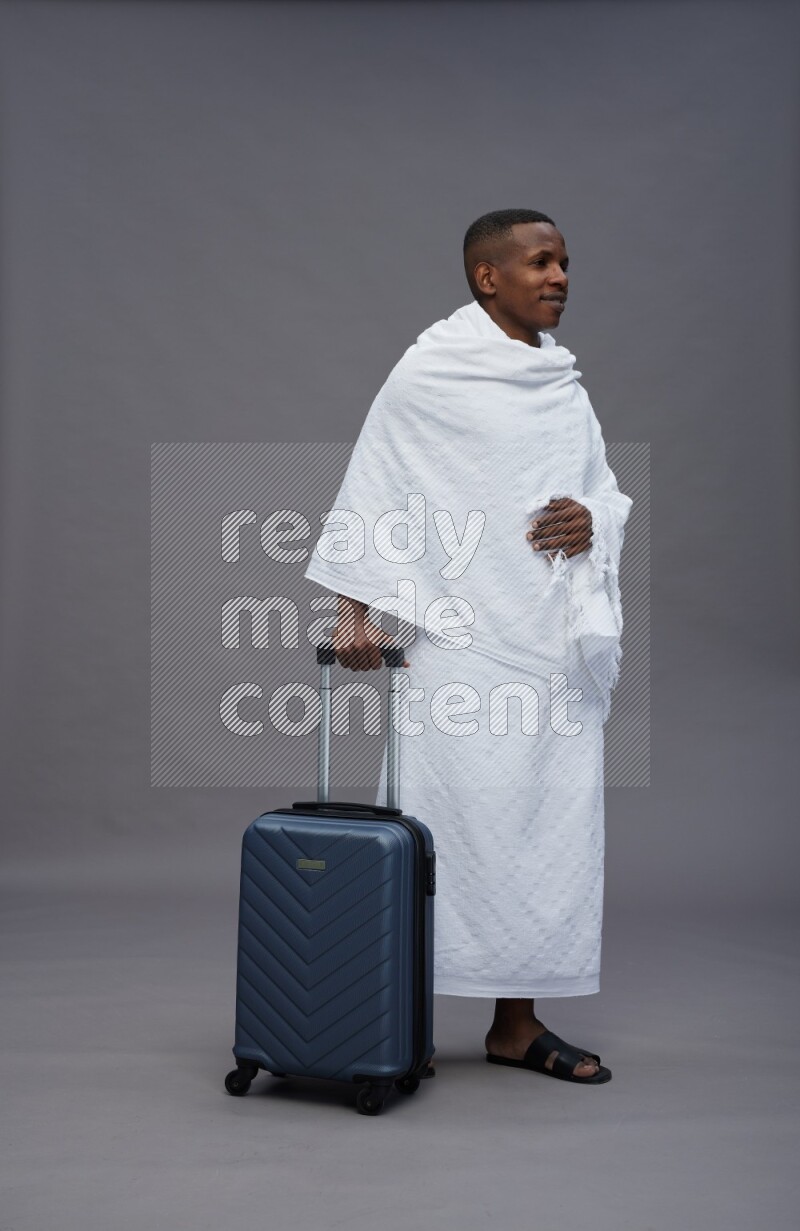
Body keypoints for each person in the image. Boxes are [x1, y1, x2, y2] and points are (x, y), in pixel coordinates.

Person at [303, 209, 632, 1085]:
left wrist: (593, 517)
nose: (560, 276)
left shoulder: (563, 383)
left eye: (565, 261)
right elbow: (376, 482)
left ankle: (516, 1025)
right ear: (489, 278)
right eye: (539, 262)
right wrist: (355, 612)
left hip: (550, 644)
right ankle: (385, 1014)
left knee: (548, 829)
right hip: (466, 637)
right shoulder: (430, 372)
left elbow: (601, 489)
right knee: (449, 828)